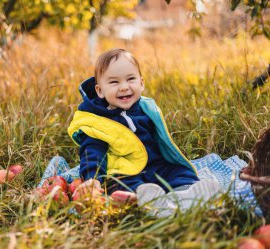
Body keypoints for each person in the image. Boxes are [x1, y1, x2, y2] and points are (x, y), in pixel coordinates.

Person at [67, 48, 220, 212]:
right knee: (119, 185)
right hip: (123, 172)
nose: (124, 87)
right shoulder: (97, 121)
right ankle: (143, 202)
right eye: (114, 82)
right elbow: (92, 152)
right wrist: (93, 179)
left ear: (141, 83)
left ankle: (186, 193)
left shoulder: (146, 109)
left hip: (156, 166)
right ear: (100, 91)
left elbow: (160, 142)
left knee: (179, 172)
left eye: (130, 79)